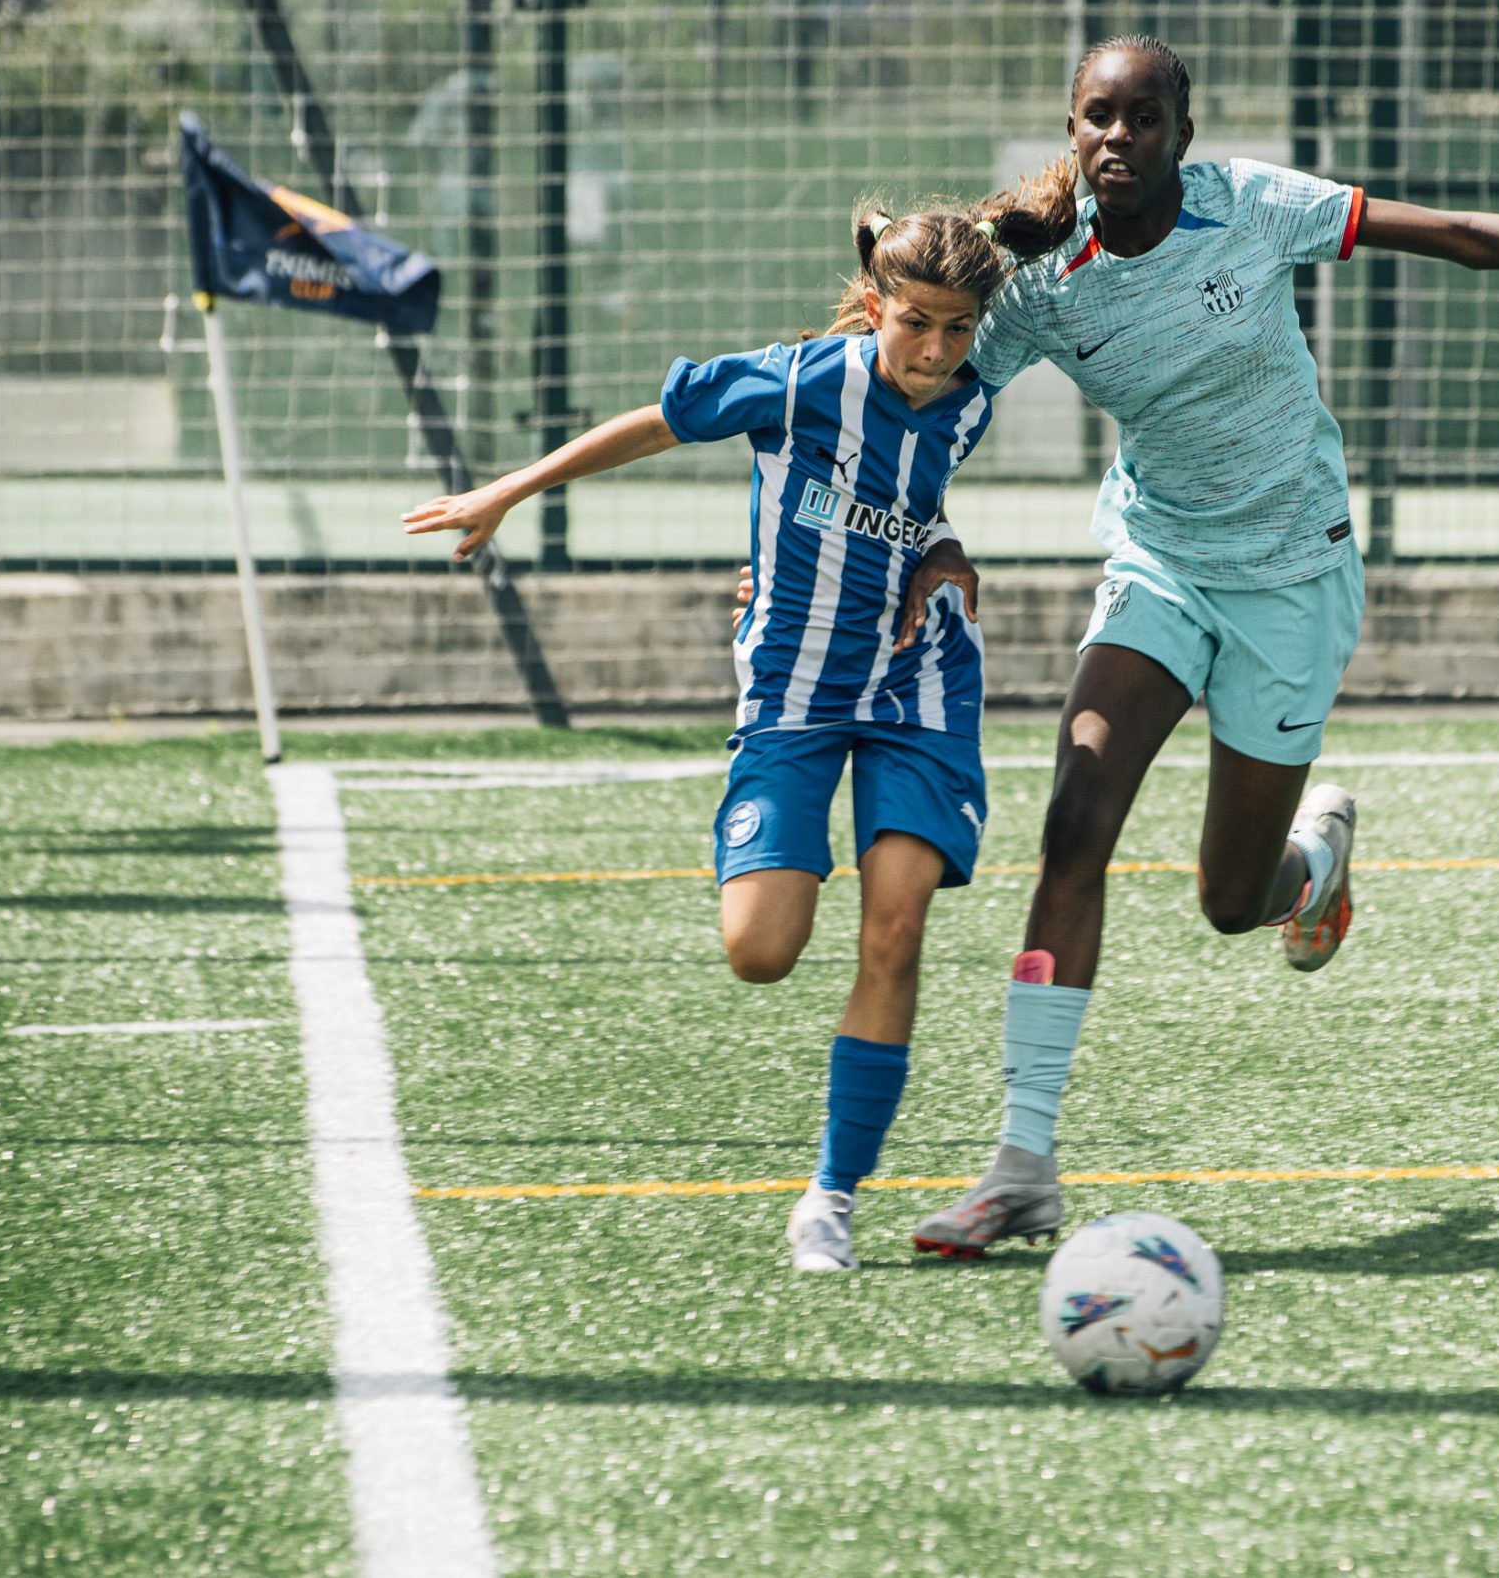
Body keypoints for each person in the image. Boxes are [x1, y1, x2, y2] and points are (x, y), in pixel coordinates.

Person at [908, 35, 1499, 1258]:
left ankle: (1309, 871)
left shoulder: (1252, 208)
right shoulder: (1045, 284)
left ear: (1182, 138)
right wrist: (855, 522)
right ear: (1071, 128)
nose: (1118, 138)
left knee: (1225, 901)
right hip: (1160, 564)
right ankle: (1022, 1165)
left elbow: (1460, 234)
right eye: (1097, 117)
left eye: (1143, 118)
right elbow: (926, 403)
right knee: (1073, 820)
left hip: (1293, 579)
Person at [403, 177, 1075, 1272]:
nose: (937, 349)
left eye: (958, 332)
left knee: (895, 928)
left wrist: (942, 548)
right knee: (760, 951)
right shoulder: (803, 378)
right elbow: (655, 424)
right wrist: (507, 492)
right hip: (793, 696)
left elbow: (911, 494)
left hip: (920, 684)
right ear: (870, 305)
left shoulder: (971, 391)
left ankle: (829, 1196)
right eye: (915, 323)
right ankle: (827, 1166)